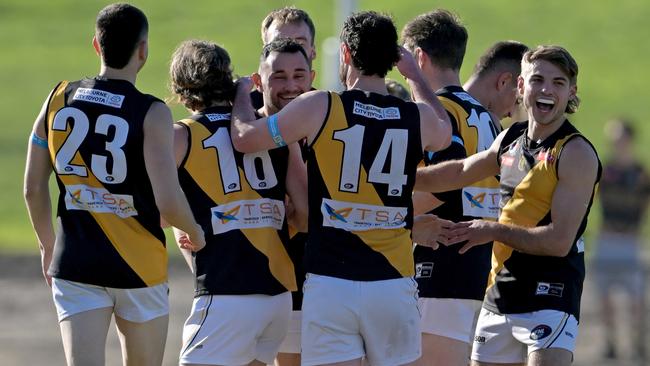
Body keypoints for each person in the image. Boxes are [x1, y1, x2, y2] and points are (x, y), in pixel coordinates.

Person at [230, 11, 451, 366]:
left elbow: (244, 139)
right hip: (393, 283)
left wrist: (243, 94)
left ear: (345, 54)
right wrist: (415, 77)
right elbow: (444, 129)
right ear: (394, 59)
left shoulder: (320, 106)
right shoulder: (416, 117)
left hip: (331, 283)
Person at [23, 4, 205, 366]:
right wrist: (195, 232)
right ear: (143, 50)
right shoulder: (152, 112)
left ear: (96, 45)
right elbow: (167, 200)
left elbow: (32, 188)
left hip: (75, 264)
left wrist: (47, 245)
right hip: (139, 269)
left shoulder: (57, 97)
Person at [416, 45, 601, 366]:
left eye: (558, 83)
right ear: (520, 86)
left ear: (572, 91)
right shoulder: (510, 138)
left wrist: (490, 230)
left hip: (551, 295)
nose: (546, 89)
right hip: (498, 295)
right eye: (537, 79)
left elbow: (559, 242)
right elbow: (460, 171)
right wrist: (406, 179)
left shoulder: (575, 152)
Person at [169, 39, 308, 366]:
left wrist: (190, 225)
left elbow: (156, 208)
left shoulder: (182, 135)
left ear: (181, 88)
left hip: (226, 291)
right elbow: (304, 216)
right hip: (279, 298)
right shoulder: (271, 133)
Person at [402, 10, 507, 365]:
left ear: (419, 57)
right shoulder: (486, 116)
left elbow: (436, 188)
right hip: (477, 264)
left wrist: (387, 218)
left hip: (442, 263)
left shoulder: (436, 110)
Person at [591, 118, 648, 362]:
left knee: (636, 299)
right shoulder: (606, 172)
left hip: (630, 241)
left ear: (629, 139)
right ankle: (610, 342)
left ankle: (637, 342)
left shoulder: (640, 174)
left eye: (619, 138)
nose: (615, 144)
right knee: (605, 298)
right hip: (607, 240)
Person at [251, 6, 317, 109]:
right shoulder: (239, 111)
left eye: (299, 43)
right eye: (279, 43)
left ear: (313, 51)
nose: (290, 49)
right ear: (265, 52)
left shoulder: (329, 111)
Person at [464, 41, 530, 121]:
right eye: (517, 101)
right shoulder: (450, 121)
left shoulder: (447, 109)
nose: (511, 114)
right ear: (504, 82)